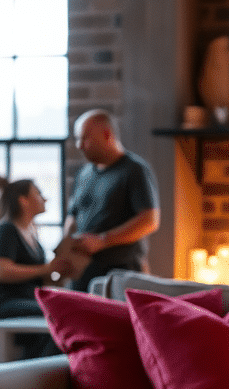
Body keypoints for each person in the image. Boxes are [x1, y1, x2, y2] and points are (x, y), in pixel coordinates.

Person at [64, 110, 160, 291]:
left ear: (107, 135)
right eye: (77, 139)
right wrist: (68, 244)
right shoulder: (84, 174)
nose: (79, 145)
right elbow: (73, 215)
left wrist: (103, 240)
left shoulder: (134, 170)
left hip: (121, 274)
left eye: (84, 139)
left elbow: (150, 220)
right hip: (83, 273)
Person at [0, 177, 69, 337]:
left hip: (22, 301)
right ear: (23, 200)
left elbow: (40, 275)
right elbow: (0, 272)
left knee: (64, 306)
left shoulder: (31, 233)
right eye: (38, 194)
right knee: (57, 311)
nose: (44, 198)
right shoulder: (6, 230)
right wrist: (45, 269)